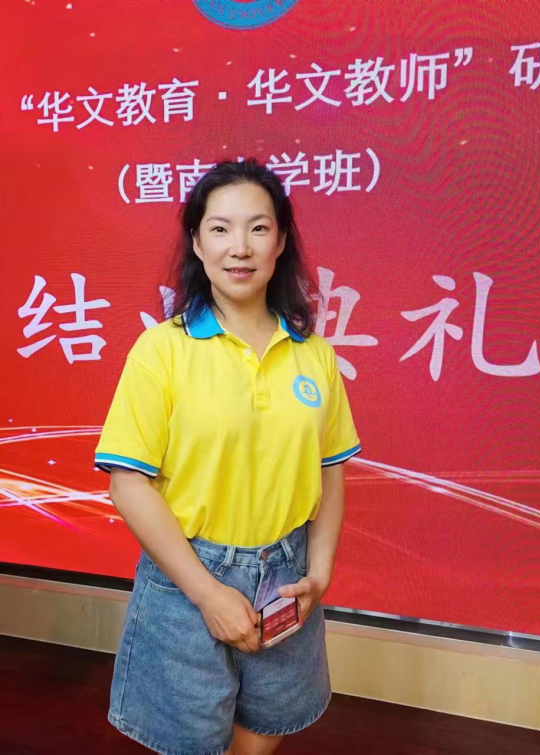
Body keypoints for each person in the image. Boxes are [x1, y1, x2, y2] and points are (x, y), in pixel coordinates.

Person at [94, 159, 361, 755]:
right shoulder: (162, 350)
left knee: (265, 729)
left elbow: (329, 470)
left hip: (287, 578)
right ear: (196, 242)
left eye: (258, 228)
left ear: (281, 241)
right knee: (189, 742)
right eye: (220, 229)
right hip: (188, 577)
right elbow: (128, 483)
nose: (240, 247)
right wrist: (208, 594)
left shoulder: (313, 354)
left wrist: (319, 572)